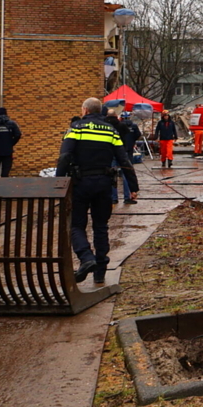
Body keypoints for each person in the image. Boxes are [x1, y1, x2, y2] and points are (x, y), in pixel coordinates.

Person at [56, 97, 139, 286]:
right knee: (101, 226)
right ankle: (100, 273)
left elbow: (64, 156)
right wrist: (133, 187)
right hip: (103, 184)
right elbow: (124, 160)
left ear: (85, 110)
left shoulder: (76, 128)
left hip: (81, 183)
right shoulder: (111, 130)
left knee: (76, 225)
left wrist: (58, 182)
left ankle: (86, 257)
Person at [104, 109, 137, 205]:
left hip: (110, 153)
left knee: (112, 175)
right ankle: (127, 197)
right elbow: (128, 137)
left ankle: (114, 198)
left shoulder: (104, 126)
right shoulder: (122, 125)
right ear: (116, 115)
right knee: (125, 174)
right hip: (122, 151)